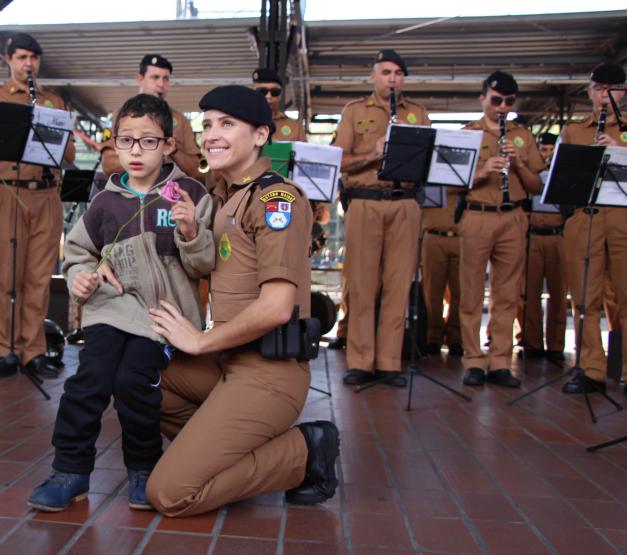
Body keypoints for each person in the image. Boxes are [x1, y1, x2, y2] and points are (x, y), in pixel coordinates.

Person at [145, 85, 340, 517]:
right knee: (139, 381)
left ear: (260, 136)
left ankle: (303, 453)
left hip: (268, 372)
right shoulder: (218, 197)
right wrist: (192, 235)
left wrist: (198, 342)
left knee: (171, 493)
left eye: (227, 124)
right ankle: (232, 442)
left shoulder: (276, 199)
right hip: (226, 364)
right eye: (208, 124)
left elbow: (276, 307)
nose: (212, 134)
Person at [27, 93, 214, 512]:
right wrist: (80, 277)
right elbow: (77, 255)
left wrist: (189, 230)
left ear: (168, 144)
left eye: (148, 141)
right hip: (110, 309)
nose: (135, 150)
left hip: (162, 318)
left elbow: (203, 265)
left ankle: (143, 468)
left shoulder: (190, 194)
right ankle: (70, 470)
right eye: (125, 140)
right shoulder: (104, 201)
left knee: (134, 382)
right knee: (89, 380)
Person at [0, 32, 75, 378]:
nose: (28, 64)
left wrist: (47, 123)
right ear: (8, 60)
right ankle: (5, 350)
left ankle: (34, 350)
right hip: (6, 194)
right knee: (8, 277)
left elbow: (69, 155)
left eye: (33, 58)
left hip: (45, 195)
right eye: (22, 57)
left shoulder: (54, 102)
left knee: (40, 278)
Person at [333, 49, 430, 386]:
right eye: (386, 72)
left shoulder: (417, 114)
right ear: (373, 76)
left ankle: (389, 362)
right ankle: (360, 360)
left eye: (399, 73)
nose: (393, 79)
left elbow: (431, 164)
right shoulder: (354, 111)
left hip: (405, 202)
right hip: (365, 201)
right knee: (361, 284)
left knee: (398, 284)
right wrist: (374, 153)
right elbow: (340, 160)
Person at [458, 71, 543, 388]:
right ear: (483, 99)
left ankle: (499, 362)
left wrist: (519, 164)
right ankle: (473, 360)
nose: (502, 106)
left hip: (514, 217)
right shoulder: (468, 134)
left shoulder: (523, 135)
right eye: (496, 100)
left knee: (507, 294)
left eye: (509, 101)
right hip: (477, 214)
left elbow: (536, 186)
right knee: (470, 292)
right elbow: (453, 186)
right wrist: (483, 171)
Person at [559, 62, 627, 394]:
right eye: (599, 89)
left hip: (622, 218)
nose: (605, 96)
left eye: (612, 89)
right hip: (585, 217)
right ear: (590, 93)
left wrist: (619, 151)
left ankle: (626, 369)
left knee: (626, 294)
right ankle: (591, 369)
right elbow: (563, 181)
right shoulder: (574, 130)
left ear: (623, 92)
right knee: (586, 297)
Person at [99, 55, 200, 179]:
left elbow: (197, 171)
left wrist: (172, 150)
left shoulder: (181, 120)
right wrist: (150, 159)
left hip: (171, 193)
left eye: (166, 79)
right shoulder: (119, 115)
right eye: (155, 77)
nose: (161, 84)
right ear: (140, 79)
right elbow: (108, 165)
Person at [518, 132, 566, 362]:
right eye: (543, 150)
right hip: (533, 236)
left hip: (558, 237)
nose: (547, 155)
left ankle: (556, 345)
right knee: (530, 292)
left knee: (558, 292)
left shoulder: (566, 174)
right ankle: (532, 342)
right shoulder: (531, 175)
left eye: (551, 150)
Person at [421, 189, 463, 356]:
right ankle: (433, 337)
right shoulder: (433, 171)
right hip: (433, 235)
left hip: (462, 236)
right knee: (432, 291)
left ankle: (456, 338)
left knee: (461, 292)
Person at [252, 67, 308, 142]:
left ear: (280, 95)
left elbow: (303, 152)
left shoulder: (294, 127)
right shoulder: (244, 124)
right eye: (262, 91)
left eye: (274, 92)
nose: (268, 96)